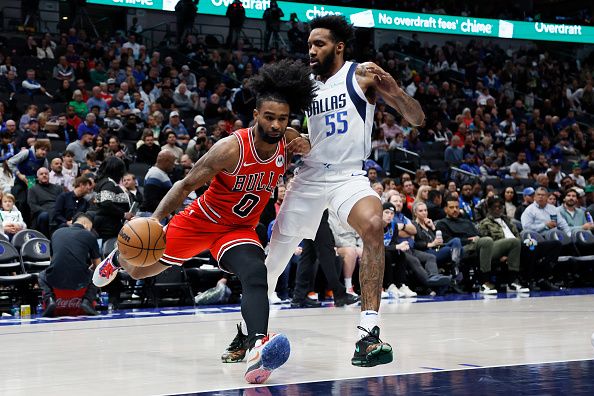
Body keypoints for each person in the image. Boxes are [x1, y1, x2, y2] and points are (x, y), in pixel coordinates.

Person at [92, 60, 317, 384]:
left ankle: (257, 350)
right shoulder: (229, 149)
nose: (275, 124)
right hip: (200, 221)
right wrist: (154, 221)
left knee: (256, 273)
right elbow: (184, 185)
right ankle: (117, 257)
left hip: (237, 230)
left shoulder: (287, 137)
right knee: (141, 269)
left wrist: (306, 141)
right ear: (256, 115)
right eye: (269, 117)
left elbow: (303, 140)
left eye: (282, 119)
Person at [263, 15, 424, 368]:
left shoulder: (362, 75)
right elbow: (284, 129)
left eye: (318, 44)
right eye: (308, 45)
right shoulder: (304, 85)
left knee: (372, 227)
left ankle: (368, 332)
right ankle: (250, 327)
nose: (311, 50)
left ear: (338, 47)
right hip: (307, 178)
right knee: (274, 258)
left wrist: (395, 92)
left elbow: (417, 119)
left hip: (348, 177)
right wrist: (296, 139)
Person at [38, 213, 101, 317]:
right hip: (79, 279)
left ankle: (50, 300)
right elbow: (98, 266)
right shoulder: (90, 236)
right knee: (98, 275)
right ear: (85, 224)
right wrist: (89, 269)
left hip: (55, 278)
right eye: (90, 227)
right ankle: (87, 301)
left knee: (41, 275)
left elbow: (52, 261)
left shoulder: (56, 233)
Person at [478, 196, 529, 293]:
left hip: (514, 247)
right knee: (515, 242)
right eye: (494, 207)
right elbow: (486, 243)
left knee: (534, 247)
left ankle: (532, 279)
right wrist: (503, 254)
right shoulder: (484, 223)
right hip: (495, 248)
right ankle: (512, 281)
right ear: (489, 209)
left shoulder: (508, 220)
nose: (497, 209)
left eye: (500, 207)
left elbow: (517, 235)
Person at [27, 167, 63, 237]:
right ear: (38, 177)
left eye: (46, 174)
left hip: (57, 212)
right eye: (41, 174)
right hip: (42, 213)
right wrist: (48, 211)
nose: (44, 175)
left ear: (49, 175)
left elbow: (62, 202)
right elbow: (32, 205)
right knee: (44, 215)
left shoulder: (58, 188)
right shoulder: (33, 189)